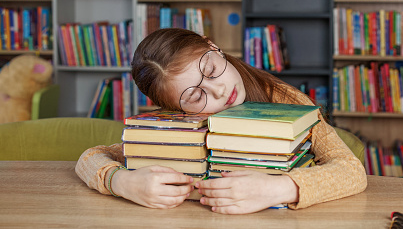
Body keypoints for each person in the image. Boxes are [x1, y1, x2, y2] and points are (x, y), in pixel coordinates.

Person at [75, 28, 367, 214]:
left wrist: (279, 188)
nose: (220, 90)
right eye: (194, 96)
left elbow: (352, 171)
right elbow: (90, 158)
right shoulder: (180, 128)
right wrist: (122, 182)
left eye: (212, 70)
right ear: (177, 109)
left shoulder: (282, 98)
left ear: (213, 47)